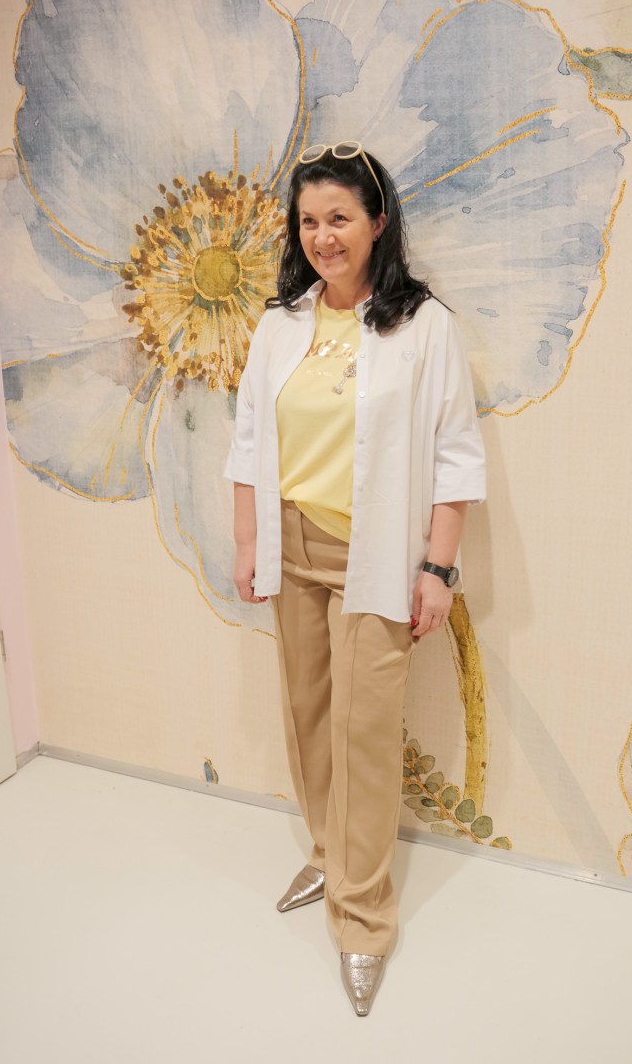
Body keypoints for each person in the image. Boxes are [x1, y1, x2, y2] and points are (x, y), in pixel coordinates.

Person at [224, 141, 486, 1016]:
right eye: (308, 221)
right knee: (307, 716)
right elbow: (249, 440)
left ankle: (364, 916)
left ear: (377, 222)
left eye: (339, 217)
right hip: (290, 543)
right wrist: (248, 542)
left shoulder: (424, 326)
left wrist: (437, 568)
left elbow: (455, 456)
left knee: (364, 730)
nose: (322, 237)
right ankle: (330, 854)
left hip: (372, 554)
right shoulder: (281, 322)